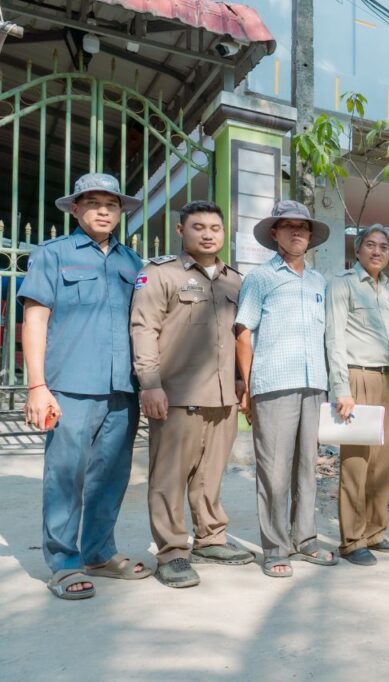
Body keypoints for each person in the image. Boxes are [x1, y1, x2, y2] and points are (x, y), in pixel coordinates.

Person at [20, 173, 151, 599]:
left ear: (120, 212)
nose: (103, 211)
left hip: (122, 387)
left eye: (111, 205)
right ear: (75, 209)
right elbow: (35, 319)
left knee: (111, 476)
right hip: (70, 385)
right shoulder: (53, 254)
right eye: (93, 203)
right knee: (65, 475)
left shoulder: (132, 263)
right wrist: (37, 386)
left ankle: (98, 552)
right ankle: (64, 562)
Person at [130, 200, 253, 588]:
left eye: (215, 228)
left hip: (223, 395)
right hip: (177, 394)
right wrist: (150, 384)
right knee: (169, 478)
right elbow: (144, 329)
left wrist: (241, 381)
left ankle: (211, 538)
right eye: (198, 227)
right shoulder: (160, 273)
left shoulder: (235, 280)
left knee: (210, 474)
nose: (208, 234)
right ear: (181, 231)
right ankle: (171, 552)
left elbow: (239, 335)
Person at [235, 200, 338, 577]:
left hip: (314, 385)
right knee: (274, 471)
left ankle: (305, 538)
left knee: (307, 468)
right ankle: (276, 547)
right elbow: (243, 333)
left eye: (303, 227)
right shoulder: (260, 278)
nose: (297, 232)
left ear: (310, 236)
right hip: (274, 384)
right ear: (275, 233)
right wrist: (248, 387)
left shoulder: (318, 282)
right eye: (288, 226)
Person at [325, 224, 389, 567]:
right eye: (370, 244)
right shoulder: (342, 284)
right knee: (356, 463)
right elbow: (334, 338)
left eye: (383, 247)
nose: (377, 251)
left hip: (386, 378)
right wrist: (342, 388)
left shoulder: (386, 288)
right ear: (357, 250)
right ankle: (352, 540)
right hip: (357, 377)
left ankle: (375, 531)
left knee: (383, 462)